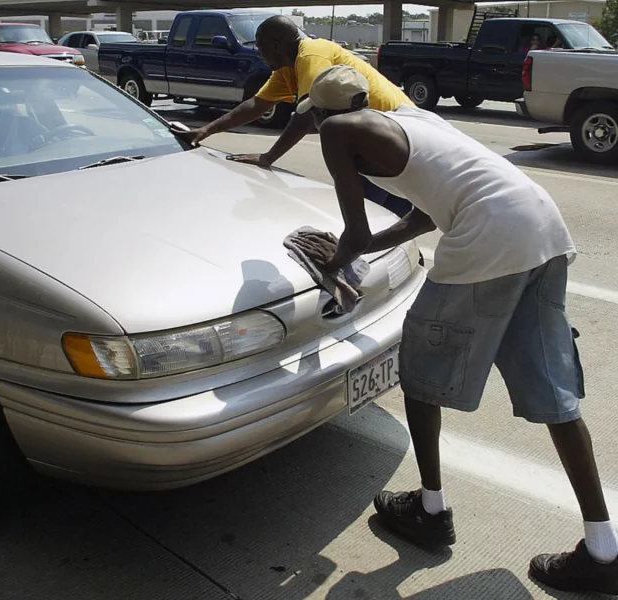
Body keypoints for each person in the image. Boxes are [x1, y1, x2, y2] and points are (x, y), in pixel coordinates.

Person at [298, 63, 617, 595]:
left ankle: (430, 509)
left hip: (488, 239)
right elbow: (429, 213)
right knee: (555, 394)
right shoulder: (414, 121)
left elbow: (352, 229)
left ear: (329, 114)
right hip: (541, 225)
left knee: (420, 369)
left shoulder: (337, 130)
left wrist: (337, 260)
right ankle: (605, 551)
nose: (315, 129)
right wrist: (370, 247)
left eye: (315, 120)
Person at [173, 15, 414, 218]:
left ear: (277, 45)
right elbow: (257, 104)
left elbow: (307, 114)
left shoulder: (311, 55)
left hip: (388, 131)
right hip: (382, 132)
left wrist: (268, 157)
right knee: (395, 213)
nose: (258, 53)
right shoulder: (286, 68)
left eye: (260, 46)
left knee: (367, 212)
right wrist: (206, 130)